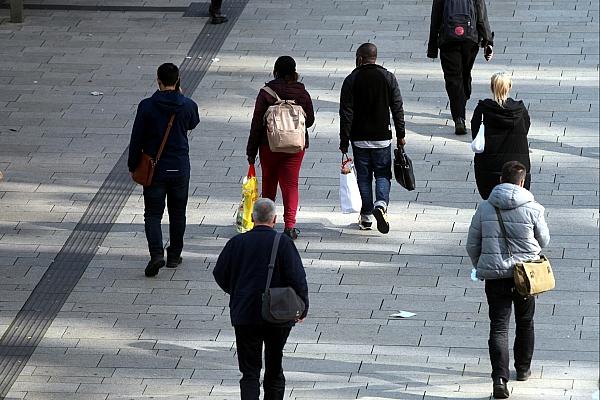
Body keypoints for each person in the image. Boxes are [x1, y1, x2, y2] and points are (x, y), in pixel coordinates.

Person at [466, 161, 550, 399]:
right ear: (522, 182)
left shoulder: (484, 208)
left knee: (499, 327)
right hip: (526, 275)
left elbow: (472, 244)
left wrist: (482, 266)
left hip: (495, 277)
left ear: (501, 180)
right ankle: (522, 369)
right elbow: (544, 240)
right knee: (525, 321)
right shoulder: (534, 208)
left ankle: (500, 380)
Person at [213, 198, 309, 400]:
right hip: (278, 314)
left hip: (245, 313)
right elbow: (297, 277)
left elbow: (219, 273)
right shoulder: (283, 243)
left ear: (251, 217)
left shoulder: (236, 243)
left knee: (249, 372)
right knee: (274, 369)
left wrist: (237, 292)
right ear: (274, 219)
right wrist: (303, 307)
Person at [128, 63, 200, 277]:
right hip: (179, 168)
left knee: (152, 214)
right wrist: (182, 97)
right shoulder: (188, 105)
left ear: (158, 80)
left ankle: (156, 254)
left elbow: (136, 139)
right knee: (178, 213)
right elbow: (193, 123)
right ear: (178, 80)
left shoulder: (147, 106)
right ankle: (175, 255)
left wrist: (133, 165)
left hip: (154, 169)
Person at [339, 42, 406, 234]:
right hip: (382, 137)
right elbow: (397, 108)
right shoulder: (387, 77)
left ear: (360, 58)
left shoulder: (351, 79)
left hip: (359, 138)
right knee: (383, 174)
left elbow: (346, 113)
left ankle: (367, 215)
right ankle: (381, 205)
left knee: (364, 176)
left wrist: (344, 141)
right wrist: (400, 134)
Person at [246, 56, 315, 240]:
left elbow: (256, 124)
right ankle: (290, 226)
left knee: (269, 183)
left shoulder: (266, 92)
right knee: (291, 185)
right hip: (295, 147)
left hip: (269, 145)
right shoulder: (302, 93)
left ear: (275, 71)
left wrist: (251, 152)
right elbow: (310, 121)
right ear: (294, 73)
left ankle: (264, 224)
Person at [427, 0, 494, 135]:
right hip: (470, 38)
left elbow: (436, 18)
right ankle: (464, 95)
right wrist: (487, 41)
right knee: (465, 72)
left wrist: (432, 48)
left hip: (448, 39)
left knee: (453, 78)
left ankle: (459, 117)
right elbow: (481, 16)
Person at [472, 72, 531, 199]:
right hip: (517, 168)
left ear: (492, 87)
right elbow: (525, 129)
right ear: (509, 87)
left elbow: (475, 134)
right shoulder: (520, 110)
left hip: (489, 167)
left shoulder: (482, 110)